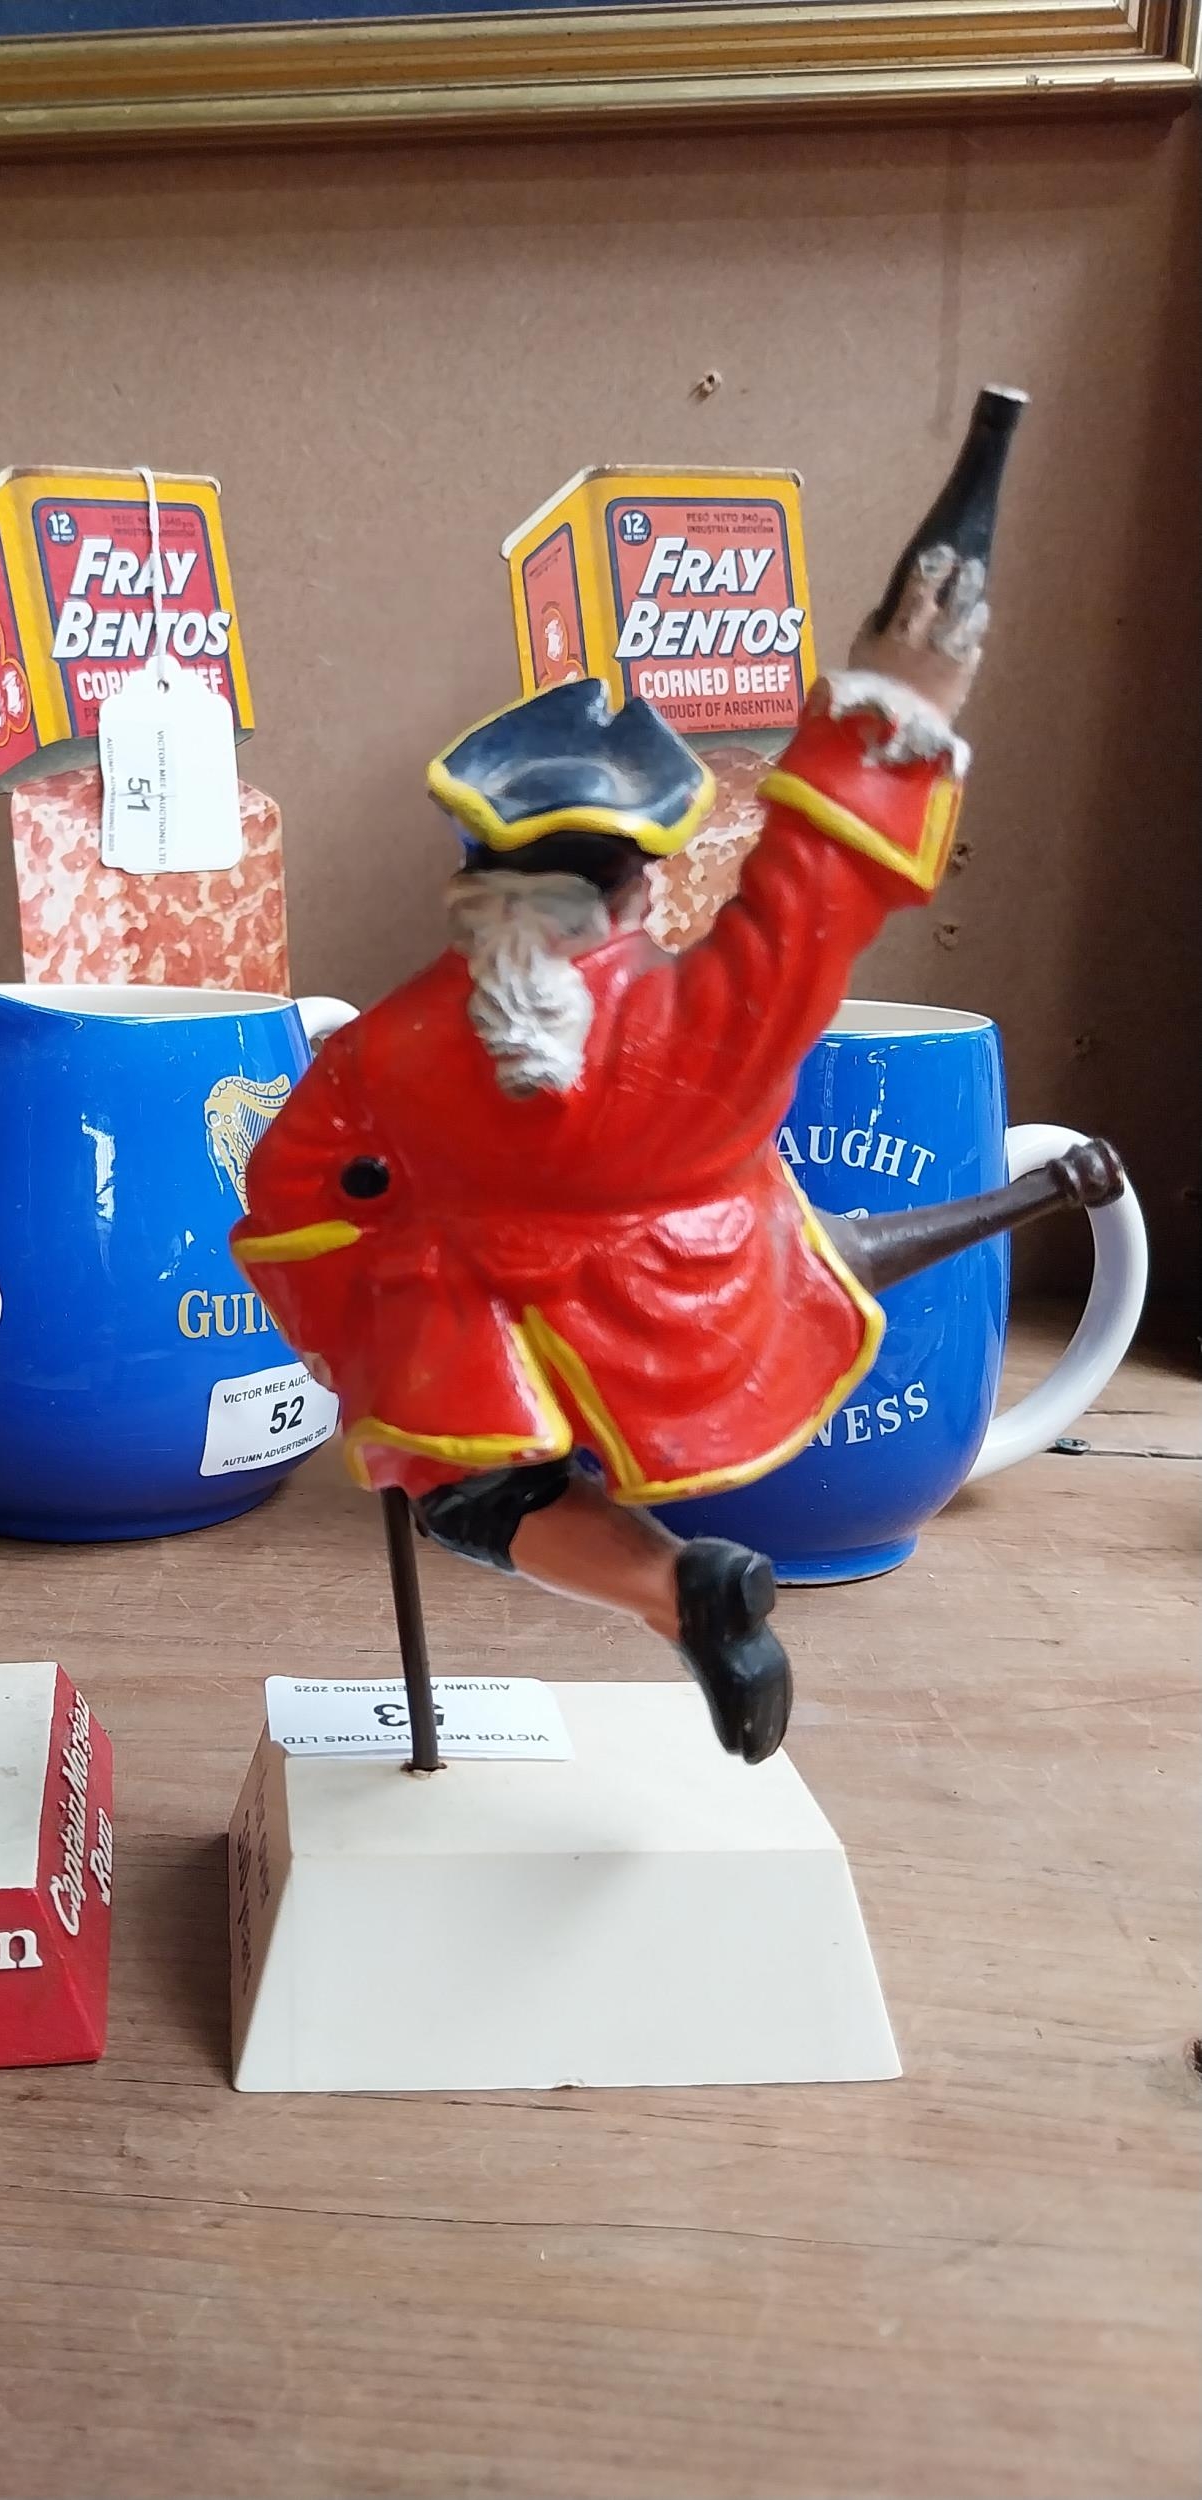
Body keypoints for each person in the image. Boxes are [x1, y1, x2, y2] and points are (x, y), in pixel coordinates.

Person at [232, 417, 1119, 1766]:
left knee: (463, 1493)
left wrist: (359, 1327)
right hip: (705, 1311)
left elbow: (287, 1196)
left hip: (470, 1334)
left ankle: (665, 1587)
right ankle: (682, 1588)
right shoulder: (714, 1019)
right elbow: (816, 884)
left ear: (470, 881)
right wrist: (904, 700)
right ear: (641, 886)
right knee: (804, 1249)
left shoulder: (383, 1049)